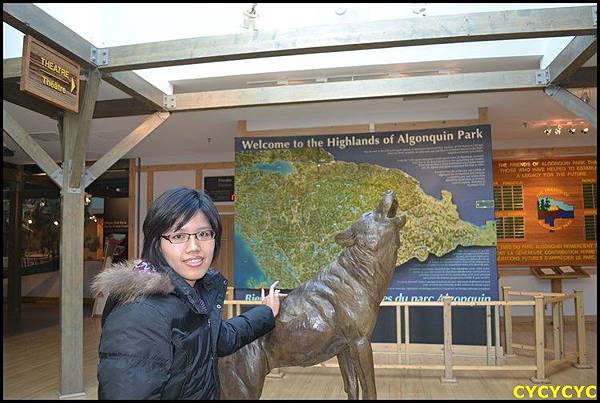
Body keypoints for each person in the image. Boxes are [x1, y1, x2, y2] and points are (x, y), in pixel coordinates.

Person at [92, 187, 286, 399]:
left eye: (203, 234)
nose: (194, 247)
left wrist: (266, 311)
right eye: (179, 235)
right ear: (156, 242)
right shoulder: (139, 315)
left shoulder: (191, 296)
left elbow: (221, 337)